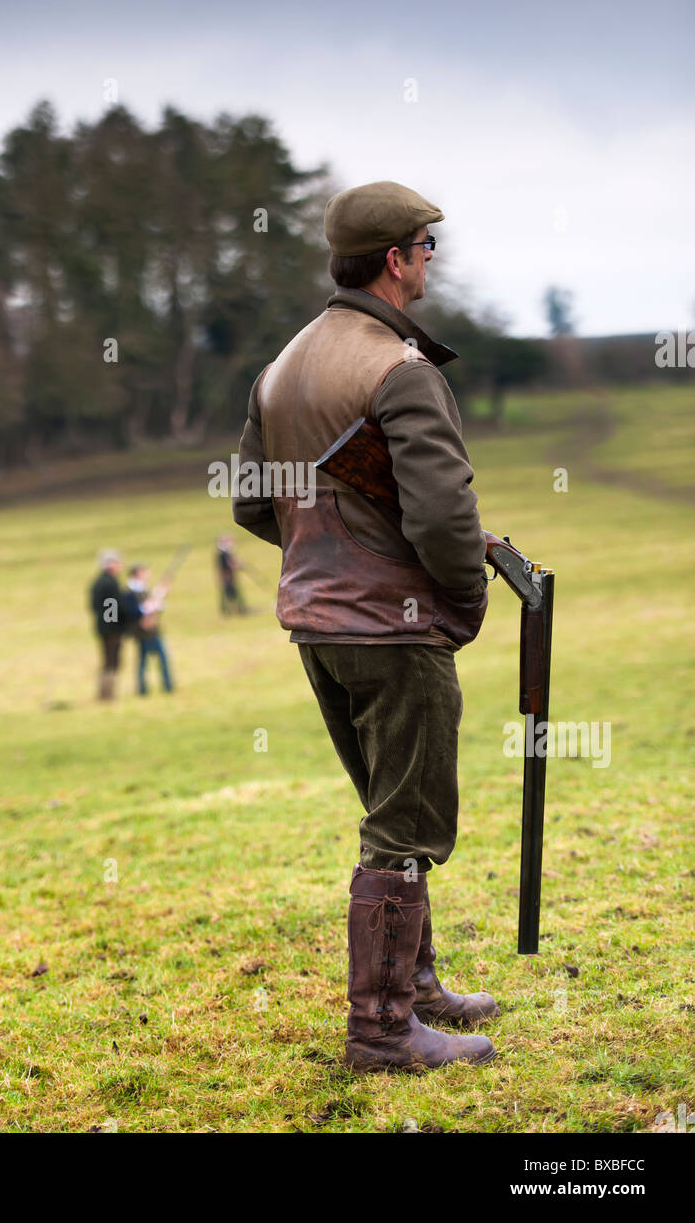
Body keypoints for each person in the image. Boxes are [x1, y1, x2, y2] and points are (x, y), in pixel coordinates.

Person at [233, 180, 498, 1073]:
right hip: (396, 628)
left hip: (317, 627)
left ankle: (415, 991)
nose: (431, 259)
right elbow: (442, 518)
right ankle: (383, 1031)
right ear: (396, 258)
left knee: (392, 810)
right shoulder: (399, 368)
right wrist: (461, 602)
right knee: (402, 826)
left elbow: (250, 503)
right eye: (428, 245)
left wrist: (326, 548)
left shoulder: (282, 366)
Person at [124, 565, 173, 695]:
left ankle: (146, 689)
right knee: (154, 659)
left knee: (145, 660)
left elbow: (152, 606)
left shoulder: (141, 589)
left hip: (150, 629)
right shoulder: (130, 592)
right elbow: (133, 611)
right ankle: (161, 687)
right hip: (143, 630)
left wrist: (160, 596)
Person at [89, 548, 125, 701]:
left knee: (107, 660)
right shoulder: (109, 583)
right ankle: (107, 695)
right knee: (111, 660)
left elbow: (94, 606)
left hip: (102, 627)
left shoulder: (97, 582)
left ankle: (104, 693)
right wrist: (116, 627)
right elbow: (112, 607)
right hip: (111, 629)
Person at [214, 534, 247, 615]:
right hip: (227, 577)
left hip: (228, 577)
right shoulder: (222, 554)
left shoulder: (224, 553)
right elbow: (230, 564)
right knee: (228, 594)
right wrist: (239, 565)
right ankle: (235, 610)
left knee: (229, 594)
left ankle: (237, 610)